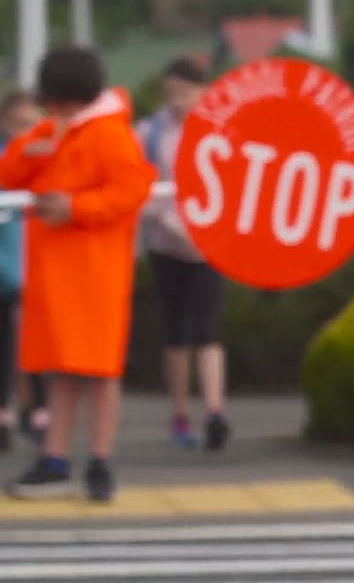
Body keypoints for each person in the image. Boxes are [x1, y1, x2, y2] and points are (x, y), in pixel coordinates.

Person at [0, 45, 155, 502]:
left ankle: (99, 461)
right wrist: (33, 151)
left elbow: (131, 190)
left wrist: (76, 207)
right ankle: (56, 458)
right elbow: (5, 173)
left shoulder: (111, 134)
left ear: (65, 97)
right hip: (57, 271)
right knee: (63, 369)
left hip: (96, 271)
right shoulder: (55, 130)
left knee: (100, 372)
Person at [138, 57, 230, 451]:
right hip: (166, 241)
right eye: (172, 90)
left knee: (208, 329)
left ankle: (215, 411)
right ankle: (179, 414)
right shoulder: (150, 132)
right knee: (175, 331)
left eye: (186, 90)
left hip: (209, 245)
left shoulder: (221, 128)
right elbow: (140, 183)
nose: (178, 98)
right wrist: (165, 219)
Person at [0, 88, 46, 453]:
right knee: (3, 335)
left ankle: (38, 407)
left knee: (36, 336)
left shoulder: (45, 155)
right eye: (16, 122)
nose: (22, 130)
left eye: (30, 123)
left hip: (35, 255)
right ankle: (2, 407)